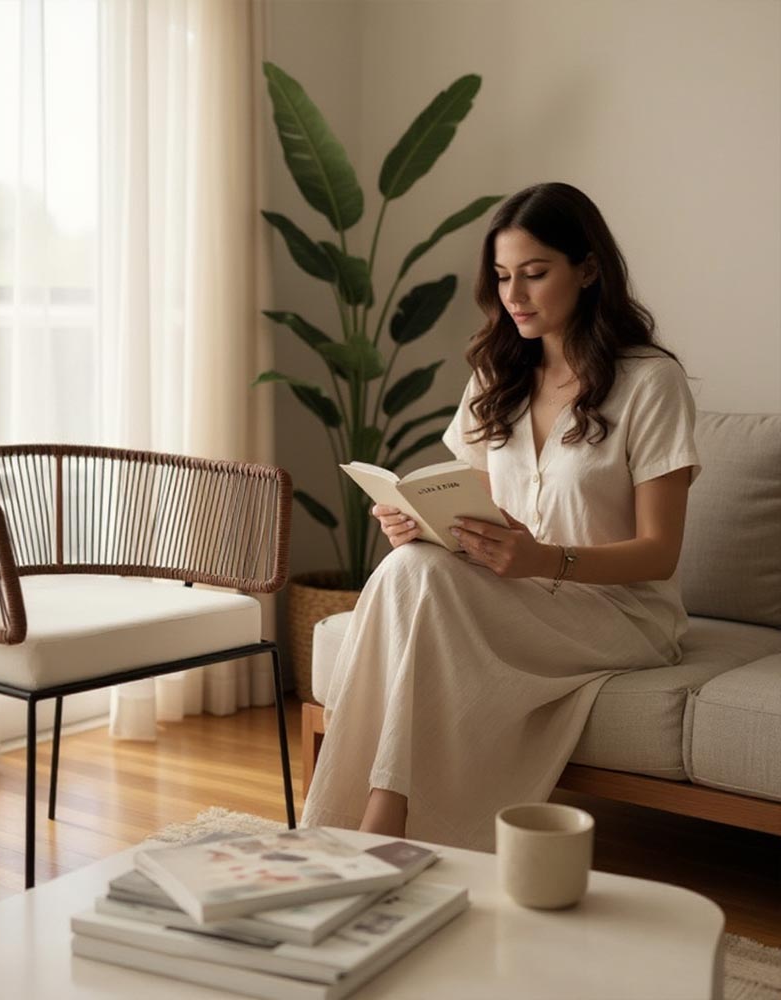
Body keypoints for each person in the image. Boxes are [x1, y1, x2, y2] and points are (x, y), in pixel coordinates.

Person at [300, 182, 700, 847]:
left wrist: (545, 559)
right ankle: (380, 821)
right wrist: (421, 526)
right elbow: (474, 520)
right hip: (519, 594)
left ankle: (374, 828)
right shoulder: (496, 376)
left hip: (620, 613)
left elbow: (660, 552)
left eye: (535, 275)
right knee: (412, 565)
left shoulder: (651, 382)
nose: (514, 295)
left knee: (416, 577)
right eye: (503, 277)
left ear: (589, 270)